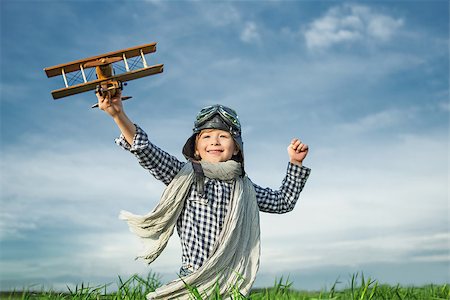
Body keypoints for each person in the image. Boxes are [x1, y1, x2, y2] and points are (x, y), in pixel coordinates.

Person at [96, 89, 311, 299]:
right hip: (193, 280)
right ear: (197, 148)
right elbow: (146, 150)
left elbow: (282, 201)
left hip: (232, 284)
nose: (215, 141)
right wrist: (118, 115)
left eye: (223, 136)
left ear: (236, 148)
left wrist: (295, 162)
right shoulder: (183, 176)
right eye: (206, 136)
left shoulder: (245, 187)